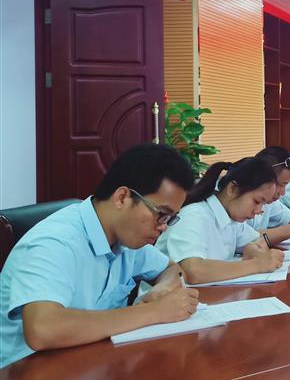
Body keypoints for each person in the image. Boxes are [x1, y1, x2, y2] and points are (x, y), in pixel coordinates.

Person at [0, 143, 199, 368]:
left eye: (170, 219)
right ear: (122, 197)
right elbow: (42, 329)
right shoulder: (55, 242)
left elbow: (172, 269)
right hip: (23, 376)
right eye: (161, 214)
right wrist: (154, 312)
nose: (163, 227)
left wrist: (161, 289)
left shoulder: (127, 240)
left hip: (89, 364)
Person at [155, 157, 284, 284]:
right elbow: (193, 271)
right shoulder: (194, 215)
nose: (259, 210)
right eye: (256, 201)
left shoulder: (231, 218)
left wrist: (252, 248)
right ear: (232, 189)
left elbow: (257, 240)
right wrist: (256, 265)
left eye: (263, 204)